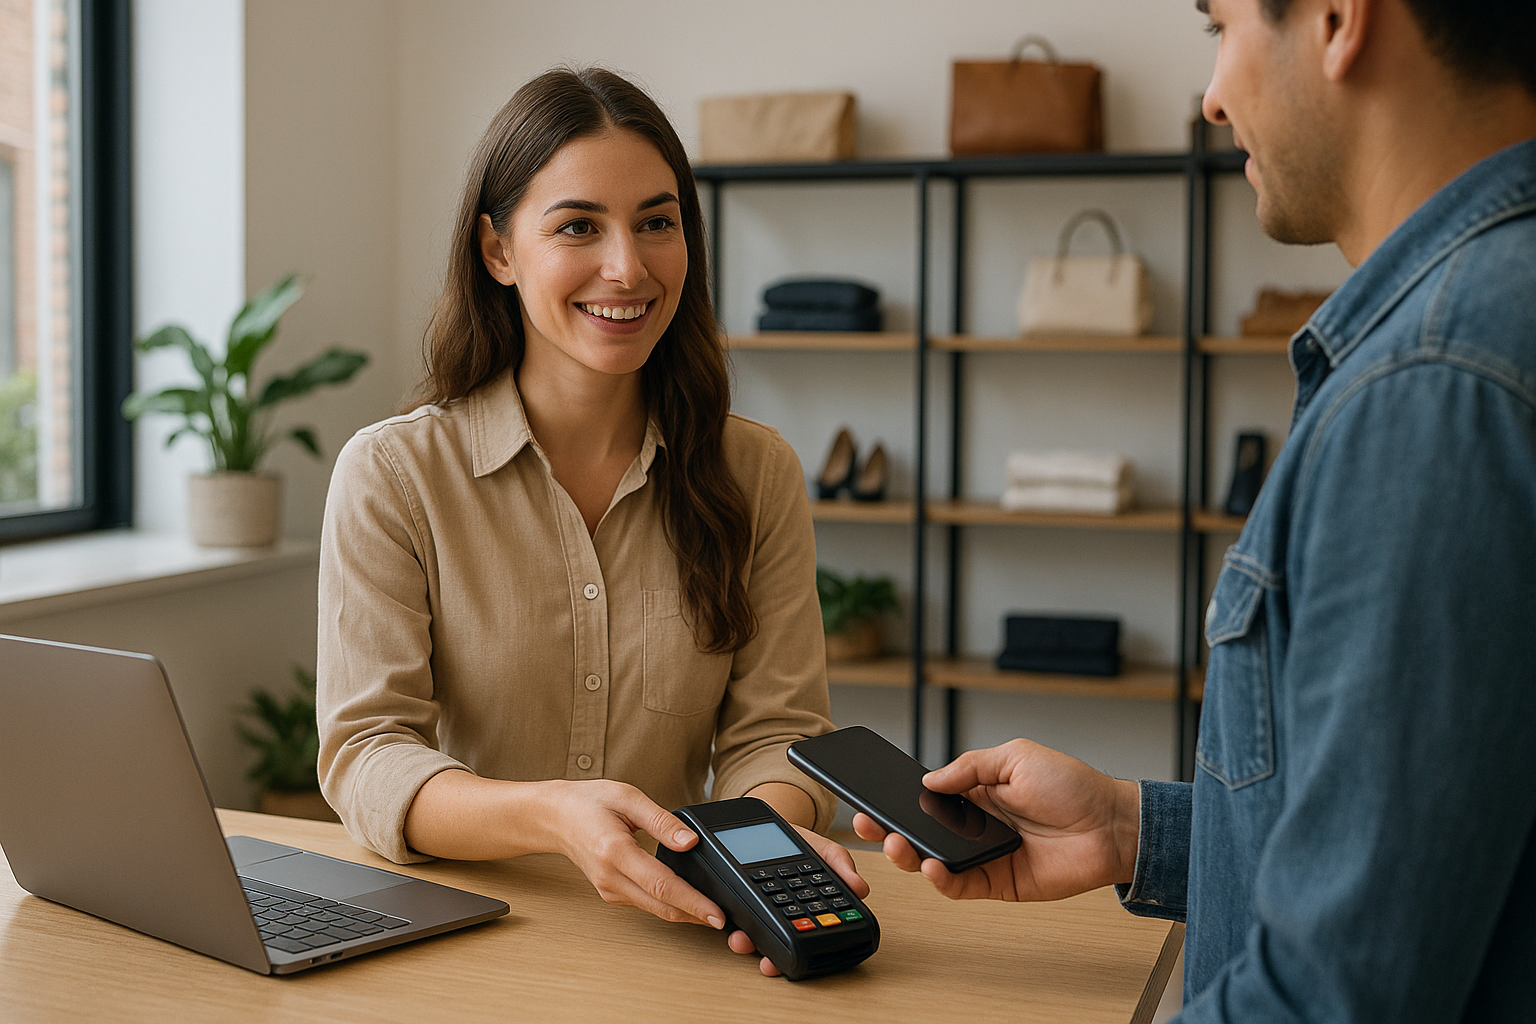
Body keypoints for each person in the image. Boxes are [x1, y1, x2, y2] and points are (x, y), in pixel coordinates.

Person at [857, 0, 1536, 1019]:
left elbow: (1334, 996)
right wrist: (1134, 830)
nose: (1213, 97)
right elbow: (1441, 839)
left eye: (1221, 27)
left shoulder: (1432, 384)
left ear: (1341, 18)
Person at [315, 67, 865, 972]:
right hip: (459, 940)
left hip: (681, 936)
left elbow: (779, 733)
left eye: (658, 222)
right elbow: (368, 755)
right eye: (578, 226)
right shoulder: (393, 476)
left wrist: (762, 849)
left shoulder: (756, 472)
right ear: (498, 251)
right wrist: (552, 818)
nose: (629, 267)